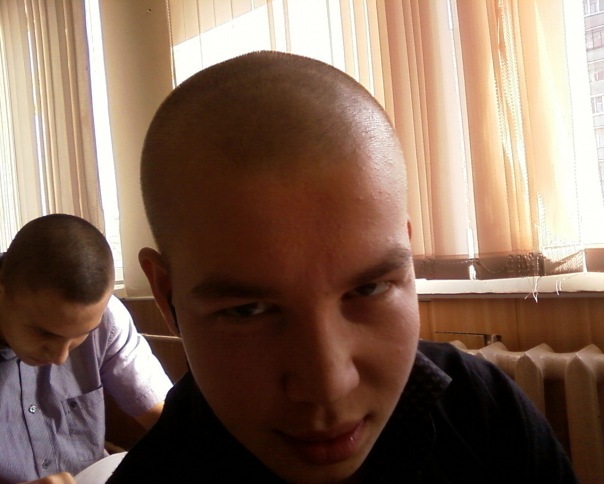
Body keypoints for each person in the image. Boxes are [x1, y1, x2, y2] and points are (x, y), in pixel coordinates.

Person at [108, 51, 577, 482]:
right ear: (167, 295)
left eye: (369, 288)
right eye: (247, 310)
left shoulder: (482, 409)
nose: (329, 386)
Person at [0, 214, 173, 483]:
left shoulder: (107, 318)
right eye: (44, 332)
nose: (60, 357)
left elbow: (168, 420)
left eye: (82, 335)